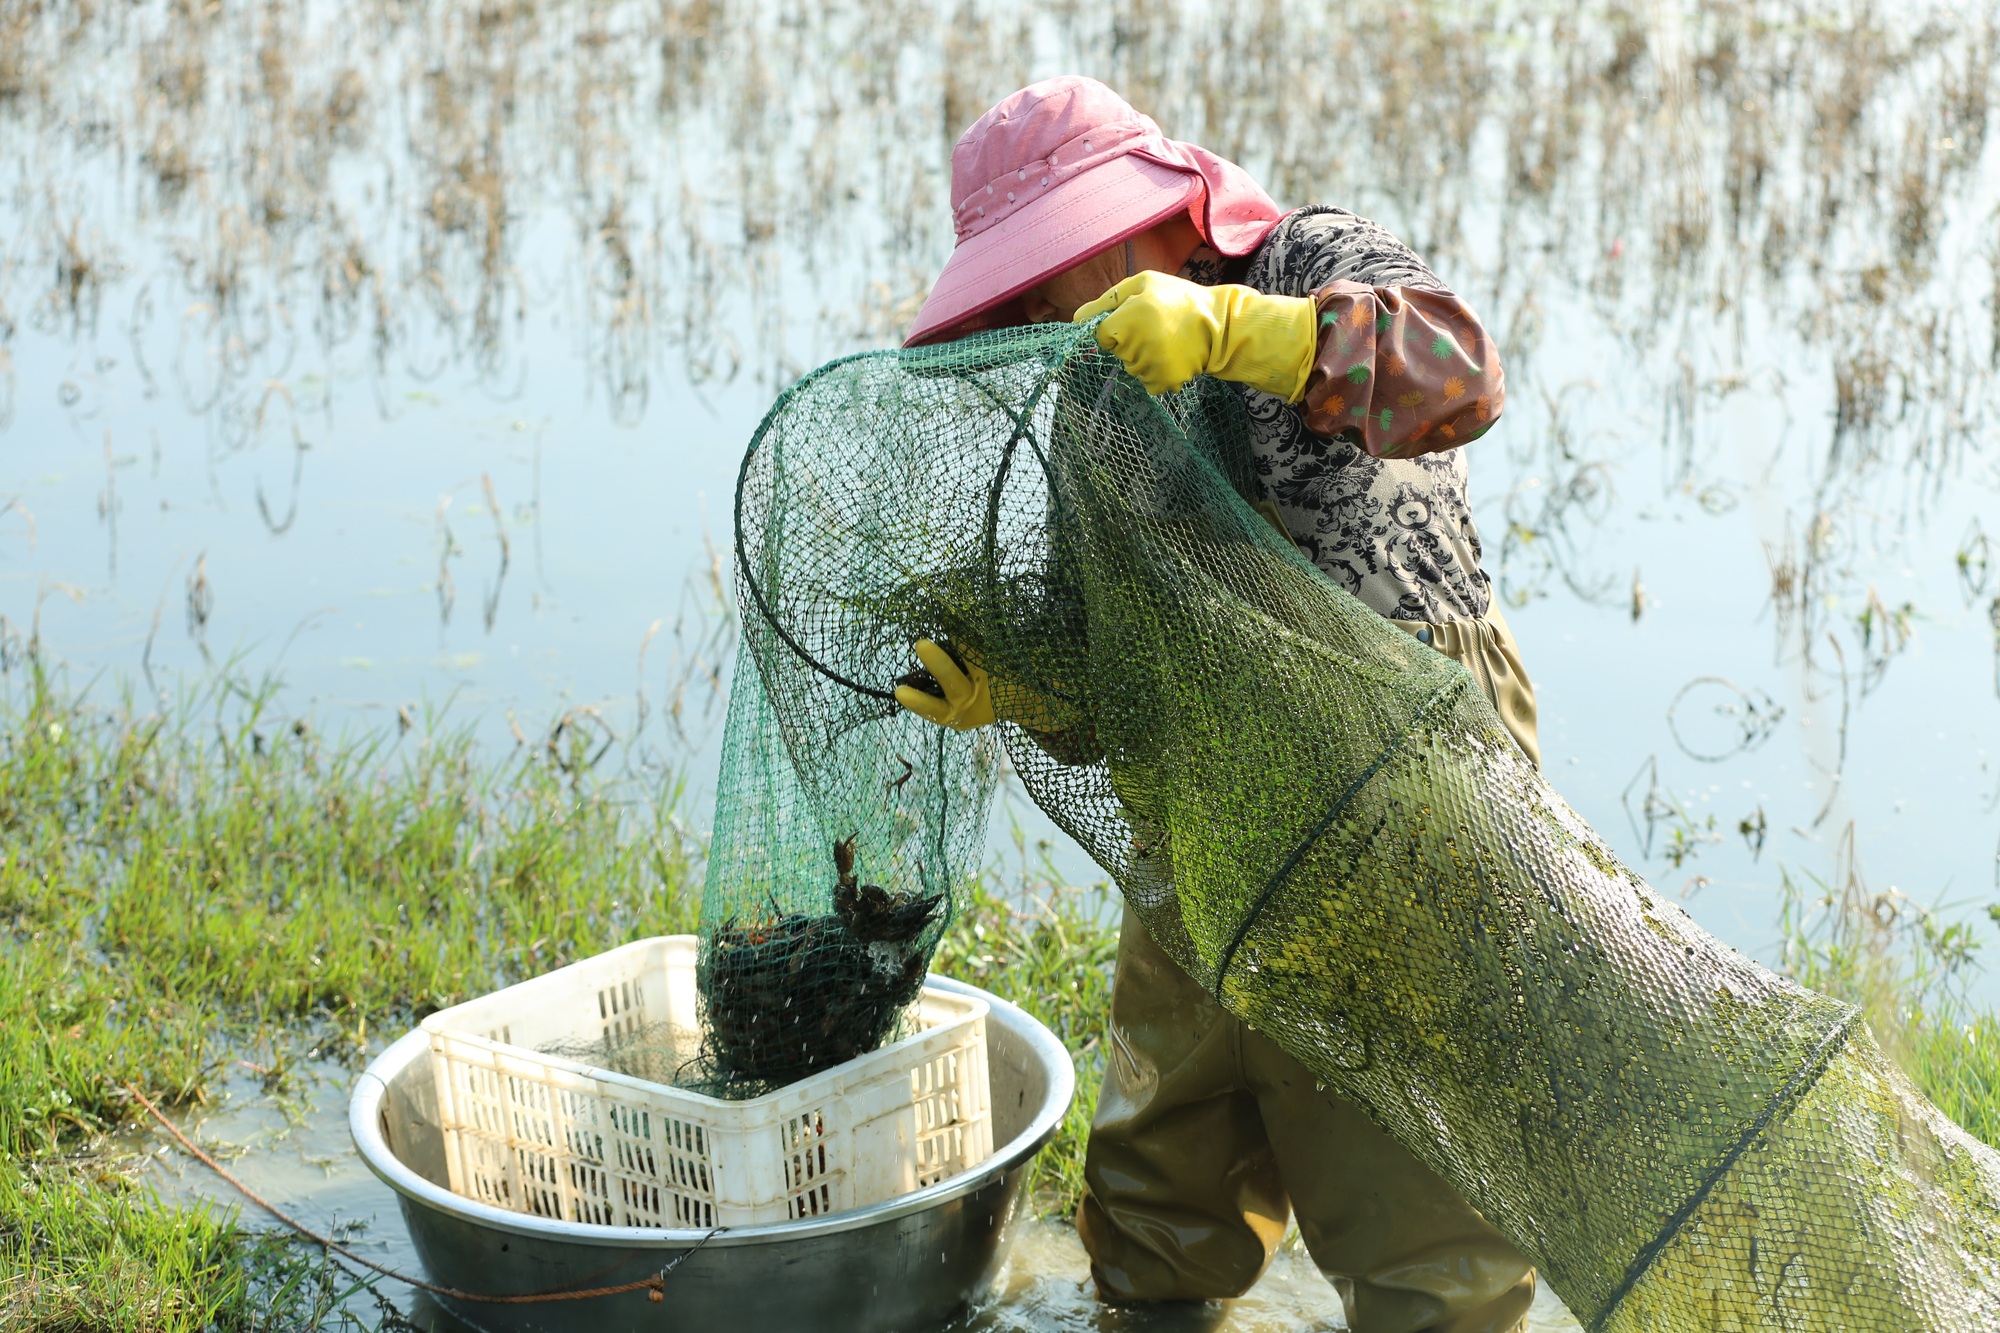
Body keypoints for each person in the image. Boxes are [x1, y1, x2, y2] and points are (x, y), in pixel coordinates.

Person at [895, 76, 1540, 1333]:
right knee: (1166, 1143)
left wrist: (1238, 332)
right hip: (1206, 788)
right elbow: (1112, 658)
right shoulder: (1095, 396)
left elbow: (1460, 374)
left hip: (1398, 768)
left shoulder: (1304, 260)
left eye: (1048, 272)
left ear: (1148, 215)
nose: (1036, 313)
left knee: (1405, 1157)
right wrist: (1017, 685)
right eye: (1015, 294)